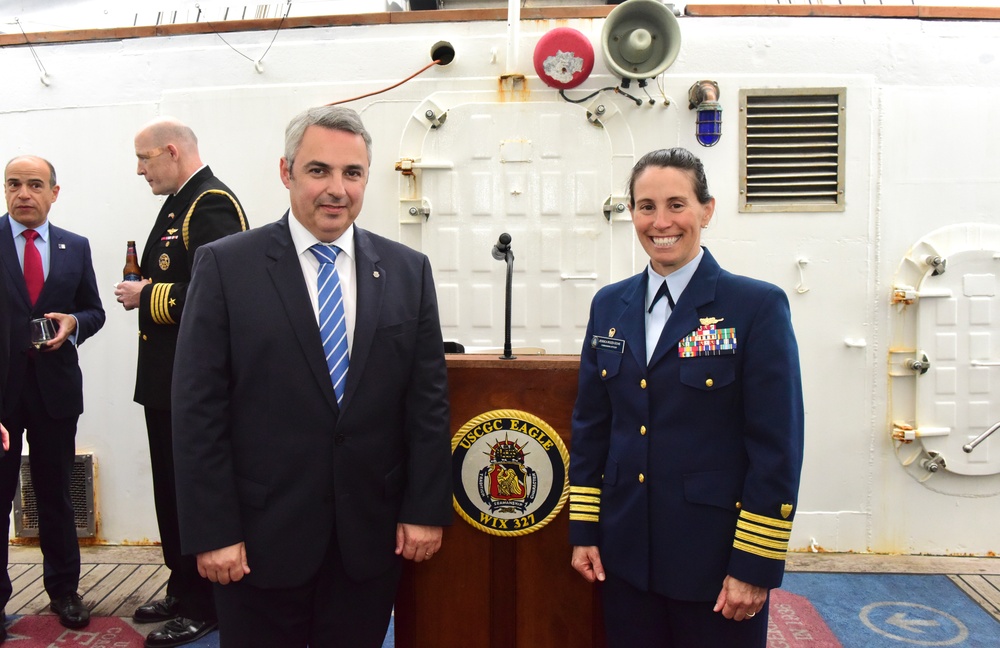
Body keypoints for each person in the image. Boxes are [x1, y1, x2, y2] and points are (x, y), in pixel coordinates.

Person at [171, 105, 452, 648]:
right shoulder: (226, 266)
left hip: (368, 540)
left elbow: (427, 402)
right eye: (318, 170)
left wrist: (424, 509)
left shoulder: (407, 271)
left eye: (352, 173)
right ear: (286, 172)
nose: (337, 189)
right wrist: (214, 533)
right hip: (256, 542)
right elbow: (197, 410)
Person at [568, 148, 804, 648]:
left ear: (707, 210)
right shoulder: (609, 304)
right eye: (646, 206)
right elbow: (592, 428)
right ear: (631, 213)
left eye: (677, 204)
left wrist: (754, 565)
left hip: (714, 565)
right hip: (625, 557)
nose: (660, 222)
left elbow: (775, 447)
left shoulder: (755, 306)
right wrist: (585, 530)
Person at [114, 117, 248, 648]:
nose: (140, 169)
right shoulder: (180, 203)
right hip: (166, 380)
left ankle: (204, 603)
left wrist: (145, 295)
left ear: (172, 151)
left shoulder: (210, 203)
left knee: (194, 492)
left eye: (145, 158)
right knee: (170, 490)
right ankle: (181, 583)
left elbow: (222, 293)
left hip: (194, 384)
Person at [0, 156, 105, 634]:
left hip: (55, 393)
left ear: (54, 192)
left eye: (35, 184)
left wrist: (75, 325)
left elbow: (94, 311)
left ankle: (64, 591)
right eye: (14, 184)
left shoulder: (75, 247)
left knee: (55, 495)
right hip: (1, 395)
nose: (24, 193)